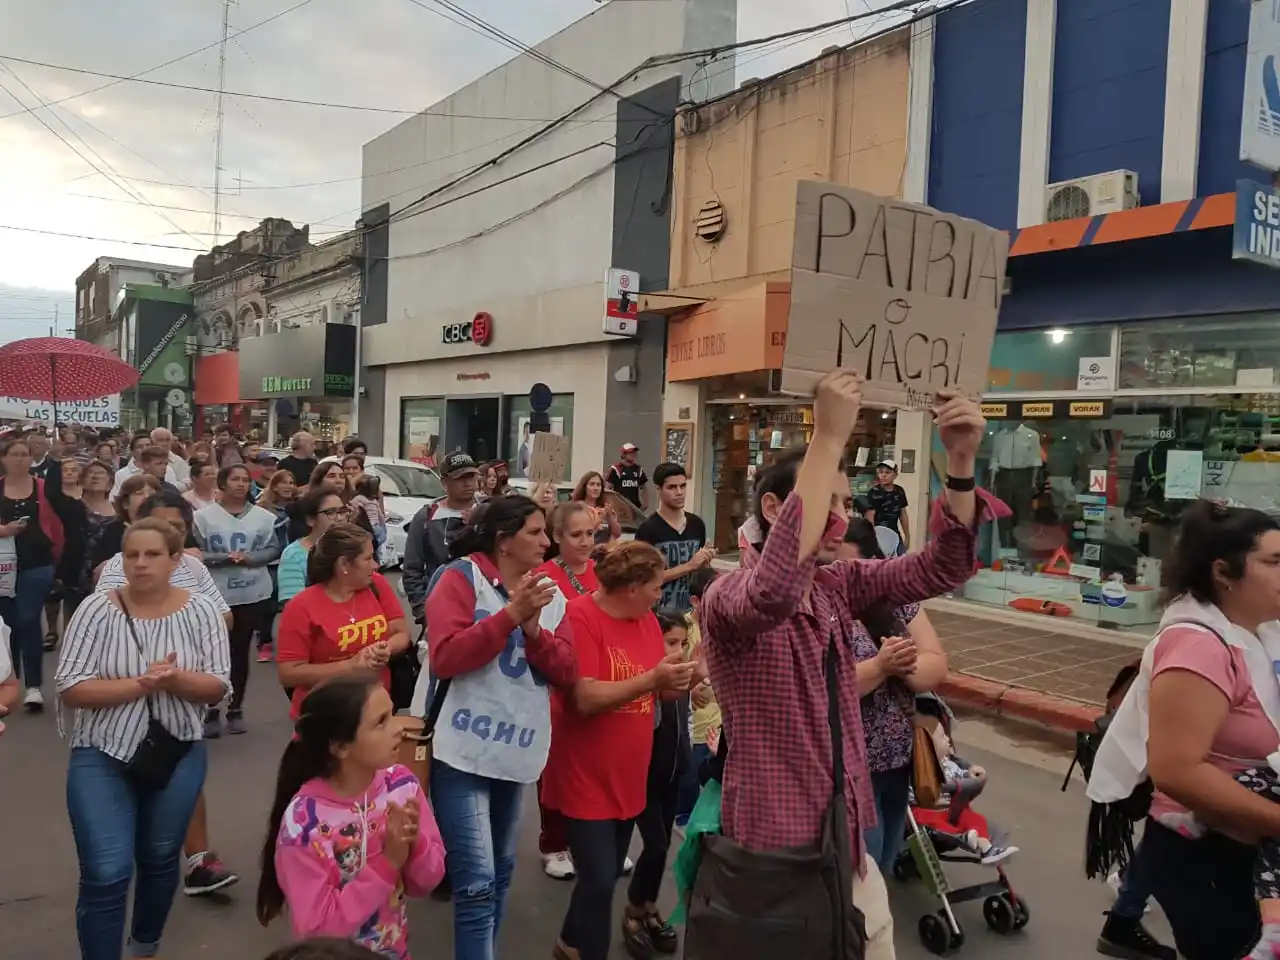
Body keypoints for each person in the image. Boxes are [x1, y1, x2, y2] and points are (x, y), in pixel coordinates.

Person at [698, 372, 990, 960]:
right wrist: (827, 436)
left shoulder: (838, 586)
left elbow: (944, 566)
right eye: (830, 502)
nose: (842, 518)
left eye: (846, 503)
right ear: (775, 507)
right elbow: (773, 591)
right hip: (777, 852)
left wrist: (959, 460)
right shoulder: (725, 596)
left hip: (850, 842)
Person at [1088, 500, 1280, 960]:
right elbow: (1177, 770)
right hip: (1215, 856)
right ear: (1223, 572)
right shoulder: (1199, 647)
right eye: (1274, 562)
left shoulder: (1262, 630)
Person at [56, 518, 230, 960]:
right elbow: (72, 687)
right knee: (106, 871)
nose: (139, 563)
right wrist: (141, 684)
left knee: (158, 857)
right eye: (131, 555)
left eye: (152, 554)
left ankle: (145, 946)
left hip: (176, 752)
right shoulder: (96, 610)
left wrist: (174, 679)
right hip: (101, 751)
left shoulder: (202, 611)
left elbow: (217, 686)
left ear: (176, 560)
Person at [425, 495, 579, 960]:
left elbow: (568, 669)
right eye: (535, 532)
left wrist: (534, 633)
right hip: (462, 749)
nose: (546, 541)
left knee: (502, 870)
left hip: (517, 751)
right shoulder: (459, 578)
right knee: (474, 882)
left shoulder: (550, 591)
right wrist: (510, 616)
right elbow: (447, 656)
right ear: (503, 540)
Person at [540, 542, 697, 960]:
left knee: (605, 873)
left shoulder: (644, 619)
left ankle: (568, 943)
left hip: (629, 772)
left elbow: (658, 691)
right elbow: (584, 698)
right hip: (584, 771)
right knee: (598, 879)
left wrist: (684, 680)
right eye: (656, 587)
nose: (660, 596)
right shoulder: (579, 616)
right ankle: (587, 950)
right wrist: (650, 681)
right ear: (630, 587)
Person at [95, 489, 242, 898]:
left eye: (176, 528)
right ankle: (132, 864)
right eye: (160, 526)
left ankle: (198, 862)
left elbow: (224, 617)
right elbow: (101, 622)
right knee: (131, 783)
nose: (166, 535)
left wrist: (186, 616)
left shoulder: (193, 570)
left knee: (181, 775)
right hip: (122, 703)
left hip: (181, 695)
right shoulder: (117, 569)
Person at [256, 673, 446, 956]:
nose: (398, 730)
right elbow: (316, 932)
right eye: (381, 722)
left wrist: (414, 841)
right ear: (340, 747)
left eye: (393, 714)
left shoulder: (401, 785)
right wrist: (387, 864)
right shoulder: (304, 825)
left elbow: (426, 882)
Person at [839, 516, 950, 872]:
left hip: (900, 758)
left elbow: (936, 662)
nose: (841, 577)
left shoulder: (899, 603)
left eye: (850, 566)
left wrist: (906, 666)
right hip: (849, 768)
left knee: (884, 859)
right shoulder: (824, 609)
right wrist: (881, 667)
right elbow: (825, 686)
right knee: (862, 868)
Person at [276, 524, 410, 719]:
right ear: (344, 565)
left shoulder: (377, 585)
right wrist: (351, 666)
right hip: (326, 715)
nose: (375, 565)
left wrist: (384, 649)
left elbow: (401, 632)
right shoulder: (301, 606)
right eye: (368, 558)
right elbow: (288, 673)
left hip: (377, 707)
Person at [533, 502, 601, 881]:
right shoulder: (542, 576)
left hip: (596, 680)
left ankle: (585, 839)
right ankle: (553, 842)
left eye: (590, 533)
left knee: (590, 761)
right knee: (556, 765)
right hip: (556, 683)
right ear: (556, 536)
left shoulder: (603, 572)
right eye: (576, 534)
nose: (586, 541)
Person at [193, 464, 281, 736]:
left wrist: (251, 558)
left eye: (245, 480)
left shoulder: (263, 517)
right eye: (235, 479)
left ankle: (235, 707)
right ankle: (210, 708)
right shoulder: (203, 518)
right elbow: (193, 552)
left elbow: (273, 548)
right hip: (215, 593)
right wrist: (221, 558)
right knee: (210, 652)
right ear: (222, 483)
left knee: (239, 652)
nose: (241, 484)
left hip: (251, 593)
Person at [0, 435, 77, 712]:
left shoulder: (44, 488)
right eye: (14, 454)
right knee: (7, 625)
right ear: (4, 459)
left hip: (39, 563)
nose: (20, 458)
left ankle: (33, 685)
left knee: (28, 618)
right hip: (3, 567)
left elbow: (60, 521)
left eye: (24, 454)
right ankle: (9, 682)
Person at [401, 451, 478, 623]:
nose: (467, 483)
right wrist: (423, 611)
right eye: (460, 478)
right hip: (440, 611)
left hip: (482, 610)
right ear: (444, 482)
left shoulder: (489, 512)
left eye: (471, 476)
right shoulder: (427, 517)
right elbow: (412, 569)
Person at [674, 567, 720, 827]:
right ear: (695, 602)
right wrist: (690, 687)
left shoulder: (728, 623)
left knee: (713, 784)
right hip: (694, 726)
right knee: (688, 781)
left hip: (719, 723)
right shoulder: (684, 629)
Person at [635, 463, 713, 613]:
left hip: (692, 612)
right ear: (658, 489)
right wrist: (689, 566)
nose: (679, 492)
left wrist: (705, 561)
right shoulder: (648, 529)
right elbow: (644, 579)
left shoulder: (696, 524)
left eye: (683, 486)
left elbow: (700, 572)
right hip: (660, 614)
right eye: (672, 487)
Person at [278, 489, 348, 607]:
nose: (340, 518)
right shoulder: (293, 555)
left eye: (342, 511)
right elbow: (294, 605)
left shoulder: (352, 546)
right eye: (330, 512)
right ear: (311, 519)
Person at [865, 459, 911, 553]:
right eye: (881, 472)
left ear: (895, 475)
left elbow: (903, 514)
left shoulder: (899, 491)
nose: (884, 475)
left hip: (894, 533)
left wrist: (907, 536)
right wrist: (872, 537)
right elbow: (870, 516)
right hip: (878, 534)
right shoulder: (874, 492)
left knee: (899, 560)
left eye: (887, 472)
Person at [571, 471, 620, 545]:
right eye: (592, 484)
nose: (595, 488)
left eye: (598, 485)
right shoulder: (577, 507)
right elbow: (578, 533)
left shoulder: (606, 507)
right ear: (585, 487)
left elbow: (617, 533)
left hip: (604, 551)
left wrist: (610, 516)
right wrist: (599, 520)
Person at [605, 443, 648, 512]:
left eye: (635, 452)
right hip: (620, 507)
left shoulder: (638, 469)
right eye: (631, 452)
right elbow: (607, 489)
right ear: (623, 454)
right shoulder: (615, 469)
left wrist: (645, 503)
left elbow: (643, 487)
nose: (634, 454)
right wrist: (609, 504)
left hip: (635, 507)